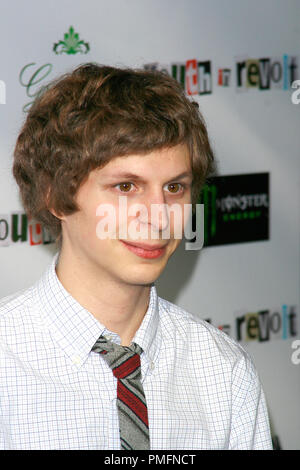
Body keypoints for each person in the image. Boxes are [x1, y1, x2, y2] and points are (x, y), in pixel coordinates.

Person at [0, 63, 273, 450]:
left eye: (175, 187)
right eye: (126, 186)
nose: (159, 215)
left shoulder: (223, 371)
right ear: (54, 195)